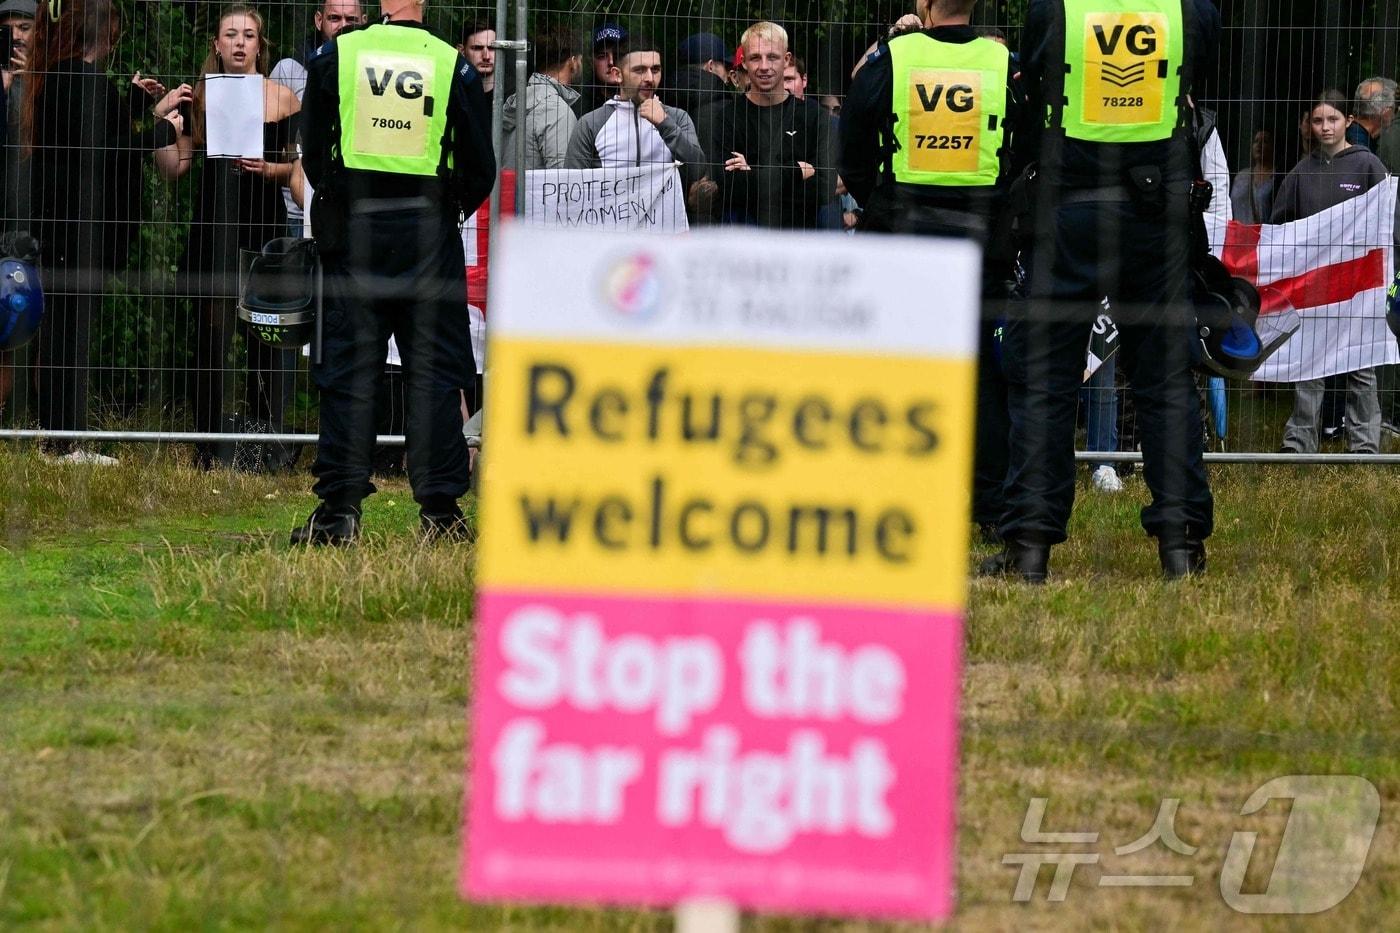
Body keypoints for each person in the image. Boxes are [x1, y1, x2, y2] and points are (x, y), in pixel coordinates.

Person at [983, 0, 1222, 581]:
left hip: (1068, 210)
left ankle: (1030, 549)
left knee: (1045, 381)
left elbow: (1036, 83)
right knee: (1164, 381)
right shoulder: (1190, 12)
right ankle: (1180, 547)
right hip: (1155, 214)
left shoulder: (1055, 10)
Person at [294, 0, 495, 544]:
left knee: (349, 370)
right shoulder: (450, 62)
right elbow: (481, 166)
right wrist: (444, 206)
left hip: (356, 231)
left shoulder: (336, 54)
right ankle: (441, 513)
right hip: (427, 234)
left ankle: (339, 512)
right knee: (433, 372)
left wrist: (339, 196)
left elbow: (312, 149)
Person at [840, 0, 1017, 543]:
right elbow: (1028, 142)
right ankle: (988, 508)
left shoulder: (894, 56)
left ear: (924, 6)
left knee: (899, 367)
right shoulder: (1000, 61)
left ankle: (900, 496)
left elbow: (851, 139)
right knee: (985, 374)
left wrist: (879, 201)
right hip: (981, 236)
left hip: (904, 234)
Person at [20, 0, 184, 464]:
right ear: (105, 34)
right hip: (78, 230)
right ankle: (62, 442)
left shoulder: (65, 78)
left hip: (66, 227)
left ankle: (58, 438)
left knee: (62, 334)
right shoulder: (81, 80)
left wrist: (135, 102)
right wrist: (160, 131)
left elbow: (94, 135)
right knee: (67, 337)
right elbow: (103, 152)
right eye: (115, 32)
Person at [154, 5, 301, 471]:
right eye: (231, 35)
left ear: (261, 45)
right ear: (217, 44)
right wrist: (165, 124)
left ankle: (264, 444)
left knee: (265, 337)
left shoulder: (285, 99)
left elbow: (298, 173)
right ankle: (209, 444)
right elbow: (174, 170)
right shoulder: (198, 98)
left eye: (249, 35)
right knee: (212, 338)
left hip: (263, 230)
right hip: (212, 229)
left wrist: (269, 168)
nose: (240, 43)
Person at [1271, 89, 1389, 455]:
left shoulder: (1368, 165)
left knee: (1361, 366)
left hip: (1359, 287)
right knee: (1309, 366)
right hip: (1313, 287)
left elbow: (1387, 220)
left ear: (1348, 122)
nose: (1325, 127)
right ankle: (1298, 444)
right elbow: (1279, 226)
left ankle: (1365, 447)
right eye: (1318, 120)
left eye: (1333, 119)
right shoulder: (1301, 171)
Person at [699, 21, 834, 229]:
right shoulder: (726, 118)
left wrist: (751, 172)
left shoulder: (814, 116)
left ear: (786, 59)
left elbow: (824, 189)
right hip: (744, 242)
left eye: (772, 57)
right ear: (744, 62)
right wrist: (796, 171)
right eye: (755, 58)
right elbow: (729, 188)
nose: (764, 66)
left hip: (800, 242)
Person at [270, 0, 364, 237]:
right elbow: (268, 146)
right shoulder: (289, 70)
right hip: (296, 215)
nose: (343, 26)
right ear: (318, 20)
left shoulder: (374, 75)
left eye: (351, 19)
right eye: (335, 18)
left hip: (356, 213)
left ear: (364, 22)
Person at [565, 35, 706, 178]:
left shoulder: (677, 117)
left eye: (655, 70)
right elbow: (571, 186)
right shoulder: (591, 124)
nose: (650, 79)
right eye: (639, 70)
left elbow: (699, 171)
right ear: (617, 74)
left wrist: (665, 124)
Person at [501, 24, 580, 170]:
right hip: (534, 193)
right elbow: (563, 179)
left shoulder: (519, 99)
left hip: (510, 192)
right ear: (573, 62)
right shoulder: (557, 111)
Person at [668, 32, 729, 122]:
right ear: (710, 66)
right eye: (726, 67)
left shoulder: (659, 101)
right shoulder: (727, 110)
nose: (728, 74)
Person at [1229, 129, 1276, 224]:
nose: (1259, 145)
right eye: (1256, 141)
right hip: (1238, 234)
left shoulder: (1277, 178)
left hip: (1263, 236)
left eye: (1265, 141)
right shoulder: (1241, 176)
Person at [1345, 77, 1396, 152]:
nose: (1394, 113)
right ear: (1385, 111)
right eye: (1393, 107)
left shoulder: (1352, 133)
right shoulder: (1359, 147)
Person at [584, 22, 626, 114]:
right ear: (591, 62)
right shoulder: (581, 105)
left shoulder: (645, 99)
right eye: (602, 56)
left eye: (618, 55)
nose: (611, 62)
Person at [457, 20, 496, 117]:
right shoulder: (455, 95)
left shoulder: (513, 96)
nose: (486, 56)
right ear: (461, 51)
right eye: (477, 48)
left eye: (492, 48)